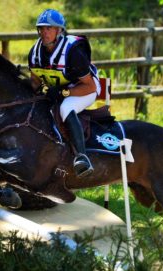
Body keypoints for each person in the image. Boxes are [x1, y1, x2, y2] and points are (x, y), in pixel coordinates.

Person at [28, 9, 100, 178]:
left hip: (83, 90)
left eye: (49, 28)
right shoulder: (34, 53)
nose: (44, 32)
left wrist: (64, 93)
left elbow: (90, 87)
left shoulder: (73, 52)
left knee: (65, 108)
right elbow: (35, 83)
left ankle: (82, 157)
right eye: (42, 28)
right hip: (58, 91)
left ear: (59, 30)